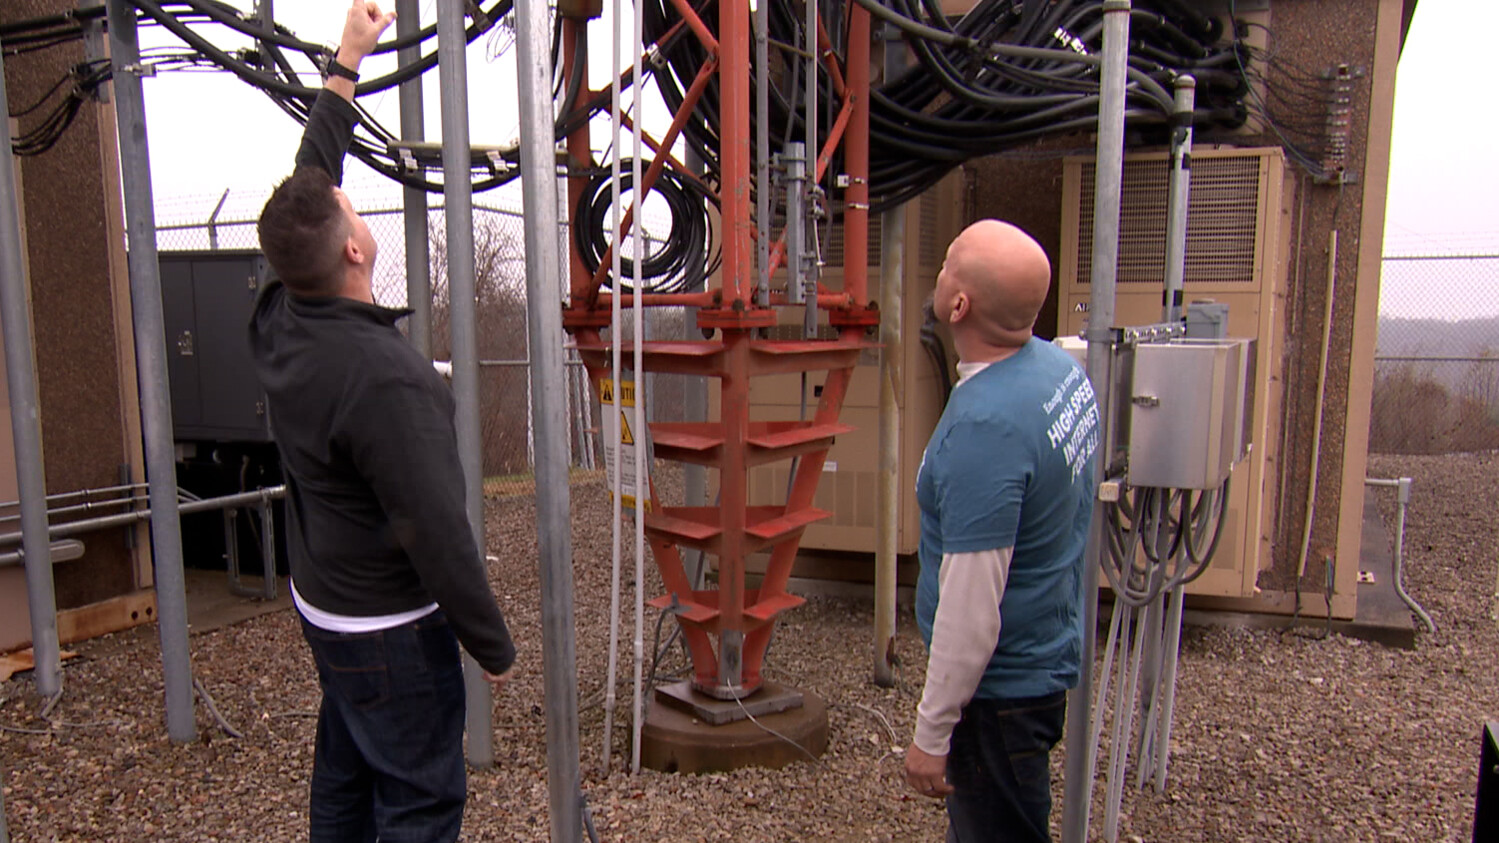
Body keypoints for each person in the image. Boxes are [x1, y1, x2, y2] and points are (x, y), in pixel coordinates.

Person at [248, 3, 516, 841]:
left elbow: (308, 183)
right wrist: (490, 643)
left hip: (324, 600)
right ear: (355, 250)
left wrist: (348, 60)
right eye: (347, 206)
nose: (346, 199)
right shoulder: (389, 379)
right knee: (419, 798)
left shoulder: (280, 312)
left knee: (347, 770)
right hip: (388, 629)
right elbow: (435, 527)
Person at [903, 220, 1099, 842]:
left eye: (948, 264)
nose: (939, 272)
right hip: (1042, 653)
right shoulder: (1059, 371)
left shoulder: (985, 431)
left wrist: (932, 733)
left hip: (998, 700)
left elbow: (970, 612)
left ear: (959, 305)